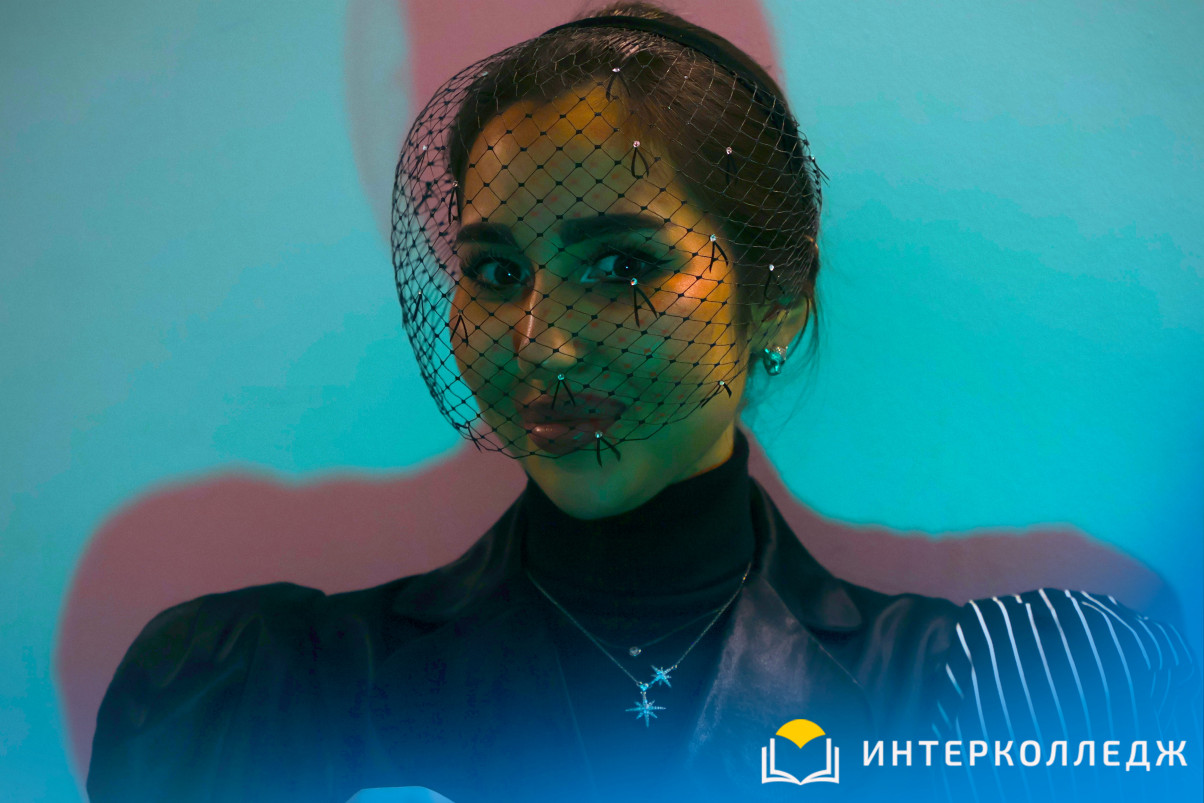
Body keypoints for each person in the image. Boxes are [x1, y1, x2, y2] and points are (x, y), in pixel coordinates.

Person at [87, 4, 1200, 802]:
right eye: (494, 271)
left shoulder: (1005, 692)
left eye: (620, 266)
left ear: (775, 300)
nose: (541, 342)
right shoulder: (259, 694)